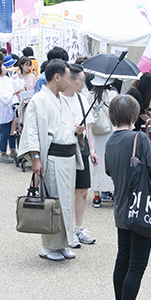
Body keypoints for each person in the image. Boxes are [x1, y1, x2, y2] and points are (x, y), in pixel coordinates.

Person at [105, 94, 151, 300]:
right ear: (133, 115)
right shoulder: (139, 138)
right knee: (136, 264)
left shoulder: (110, 141)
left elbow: (109, 171)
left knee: (123, 260)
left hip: (121, 208)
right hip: (141, 208)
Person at [18, 60, 85, 261]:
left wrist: (77, 130)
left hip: (67, 157)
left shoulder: (62, 100)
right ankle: (49, 247)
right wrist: (35, 158)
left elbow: (65, 127)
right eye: (67, 77)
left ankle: (62, 243)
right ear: (57, 77)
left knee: (65, 202)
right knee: (52, 201)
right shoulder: (39, 100)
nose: (70, 81)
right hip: (52, 158)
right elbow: (30, 130)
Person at [61, 64, 96, 247]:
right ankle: (66, 229)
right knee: (66, 191)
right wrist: (73, 129)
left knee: (82, 190)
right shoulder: (58, 99)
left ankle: (79, 227)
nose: (84, 83)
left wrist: (92, 150)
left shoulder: (83, 99)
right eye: (81, 80)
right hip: (64, 150)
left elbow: (88, 127)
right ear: (72, 80)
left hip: (81, 148)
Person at [88, 75, 118, 208]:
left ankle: (96, 197)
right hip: (108, 133)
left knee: (95, 164)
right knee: (110, 163)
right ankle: (111, 192)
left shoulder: (88, 95)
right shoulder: (112, 94)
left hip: (94, 134)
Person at [0, 59, 21, 163]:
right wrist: (14, 93)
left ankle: (13, 151)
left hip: (12, 107)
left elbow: (17, 84)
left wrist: (19, 75)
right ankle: (2, 153)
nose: (5, 67)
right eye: (2, 66)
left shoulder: (6, 78)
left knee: (13, 131)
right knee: (5, 132)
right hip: (4, 109)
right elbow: (3, 98)